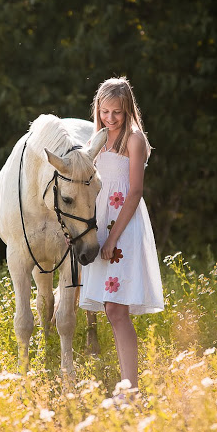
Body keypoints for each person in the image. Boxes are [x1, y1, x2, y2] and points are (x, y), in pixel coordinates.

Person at [80, 77, 164, 391]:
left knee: (117, 308)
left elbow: (135, 191)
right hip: (100, 226)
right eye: (105, 111)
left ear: (127, 109)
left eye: (116, 112)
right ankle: (127, 387)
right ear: (97, 110)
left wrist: (113, 238)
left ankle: (130, 389)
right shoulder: (97, 139)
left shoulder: (134, 139)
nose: (110, 118)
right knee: (110, 309)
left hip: (124, 227)